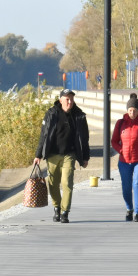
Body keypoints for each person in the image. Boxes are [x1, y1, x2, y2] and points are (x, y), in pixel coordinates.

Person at [33, 88, 90, 223]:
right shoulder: (51, 114)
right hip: (52, 154)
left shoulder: (79, 115)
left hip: (69, 155)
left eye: (71, 99)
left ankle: (65, 212)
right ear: (61, 100)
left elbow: (85, 138)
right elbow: (44, 135)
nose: (70, 102)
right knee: (53, 184)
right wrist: (38, 155)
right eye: (67, 99)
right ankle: (57, 208)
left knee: (67, 183)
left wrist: (85, 157)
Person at [111, 93, 138, 222]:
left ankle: (137, 212)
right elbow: (114, 141)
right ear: (127, 110)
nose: (132, 113)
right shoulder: (120, 124)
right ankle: (129, 208)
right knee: (126, 187)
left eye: (135, 110)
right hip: (124, 161)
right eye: (130, 110)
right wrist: (121, 150)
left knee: (137, 184)